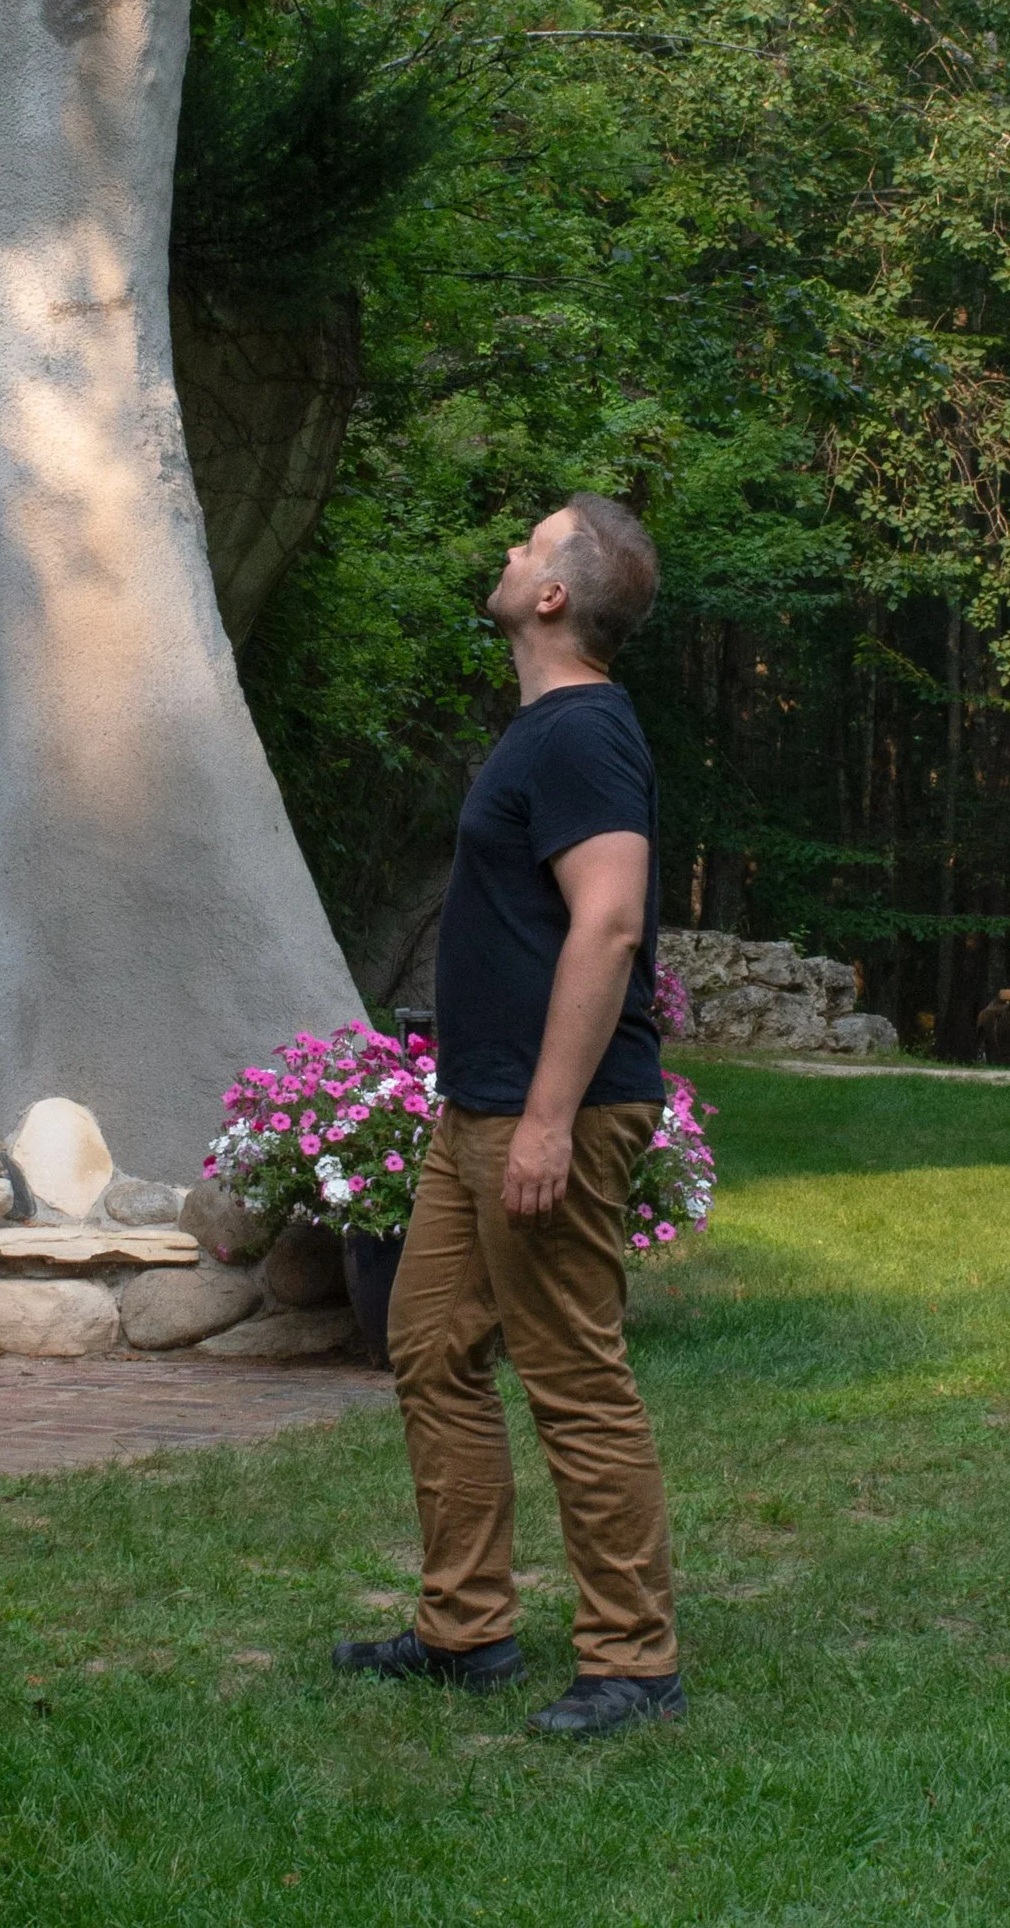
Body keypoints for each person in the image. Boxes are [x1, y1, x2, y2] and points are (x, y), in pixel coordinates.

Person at [332, 493, 683, 1737]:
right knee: (429, 1344)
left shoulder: (583, 732)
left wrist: (545, 1119)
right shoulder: (542, 730)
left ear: (553, 596)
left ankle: (633, 1659)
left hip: (553, 1113)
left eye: (529, 543)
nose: (506, 548)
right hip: (473, 1108)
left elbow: (609, 921)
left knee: (572, 1375)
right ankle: (464, 1627)